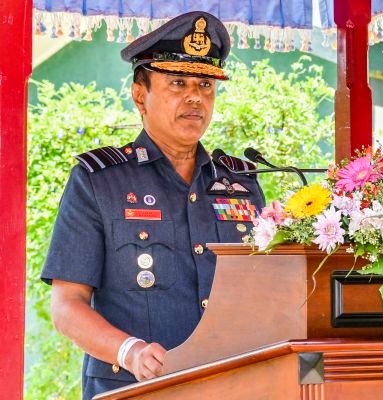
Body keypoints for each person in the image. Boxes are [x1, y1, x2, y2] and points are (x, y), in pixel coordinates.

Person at [41, 11, 265, 400]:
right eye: (178, 82)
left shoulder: (241, 184)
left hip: (231, 387)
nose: (195, 97)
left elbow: (270, 291)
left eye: (206, 85)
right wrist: (129, 352)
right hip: (135, 388)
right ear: (139, 95)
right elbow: (67, 305)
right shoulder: (99, 181)